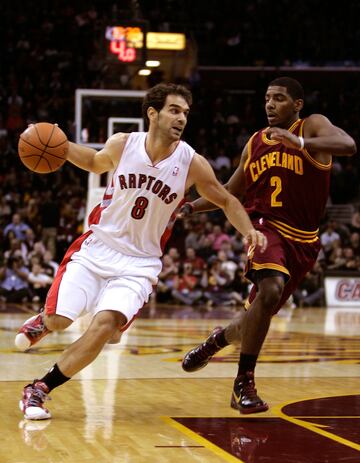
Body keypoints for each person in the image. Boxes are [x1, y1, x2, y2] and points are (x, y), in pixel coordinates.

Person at [15, 83, 266, 420]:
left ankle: (39, 389)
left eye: (185, 114)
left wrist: (248, 230)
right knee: (60, 321)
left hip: (140, 263)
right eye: (174, 110)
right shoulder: (123, 143)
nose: (181, 119)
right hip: (97, 248)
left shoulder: (192, 163)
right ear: (153, 113)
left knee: (105, 327)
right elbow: (92, 161)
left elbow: (226, 200)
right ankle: (44, 322)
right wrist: (60, 142)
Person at [181, 77, 357, 414]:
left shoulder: (313, 126)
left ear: (297, 105)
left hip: (304, 241)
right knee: (272, 289)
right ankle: (243, 382)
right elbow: (230, 191)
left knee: (253, 316)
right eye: (267, 98)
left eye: (278, 98)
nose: (270, 105)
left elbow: (349, 145)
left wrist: (300, 141)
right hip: (264, 227)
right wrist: (189, 206)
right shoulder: (255, 141)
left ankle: (215, 342)